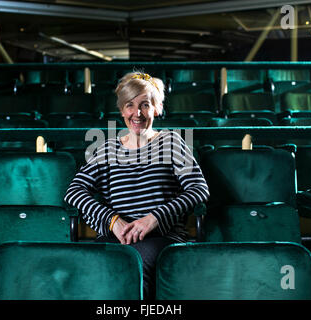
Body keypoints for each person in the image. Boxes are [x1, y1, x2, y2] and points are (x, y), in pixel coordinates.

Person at [64, 72, 210, 299]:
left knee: (134, 269)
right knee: (93, 271)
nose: (137, 113)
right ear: (122, 110)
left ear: (157, 108)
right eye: (130, 105)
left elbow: (199, 189)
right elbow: (74, 192)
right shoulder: (107, 148)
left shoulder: (171, 141)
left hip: (161, 236)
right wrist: (112, 221)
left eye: (145, 105)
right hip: (116, 236)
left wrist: (154, 218)